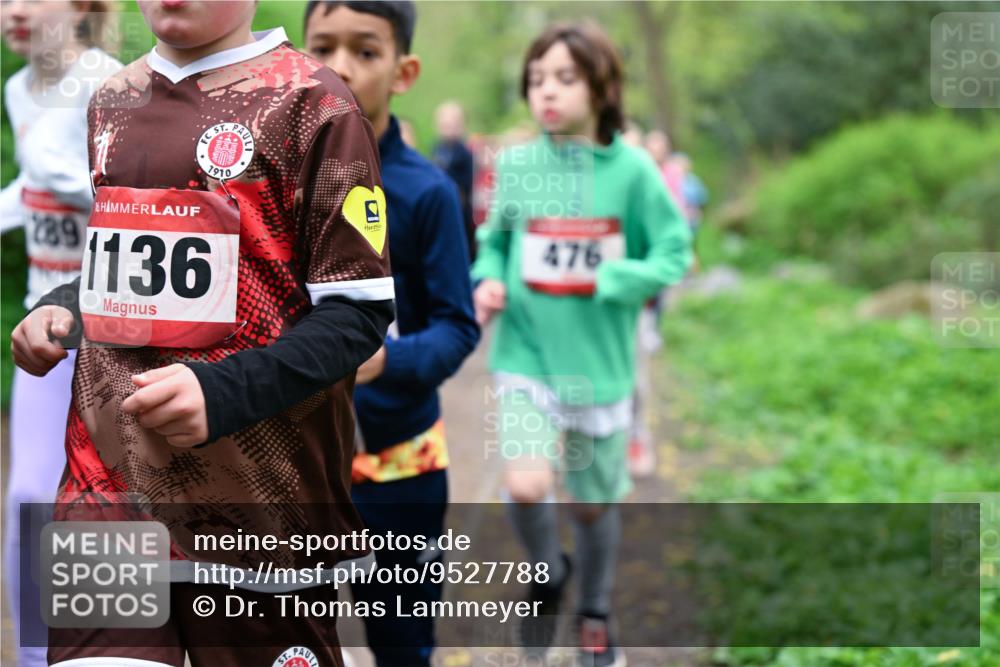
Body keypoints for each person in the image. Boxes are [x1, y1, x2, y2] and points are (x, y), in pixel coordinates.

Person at [11, 1, 394, 665]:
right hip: (107, 490)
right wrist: (61, 309)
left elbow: (357, 314)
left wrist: (221, 392)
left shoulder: (317, 103)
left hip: (258, 507)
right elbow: (129, 271)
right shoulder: (111, 99)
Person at [472, 21, 692, 667]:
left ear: (602, 87)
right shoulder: (518, 165)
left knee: (592, 506)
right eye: (537, 79)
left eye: (565, 78)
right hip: (525, 355)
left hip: (599, 368)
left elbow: (676, 252)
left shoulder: (633, 172)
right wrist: (487, 278)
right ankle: (547, 572)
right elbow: (498, 241)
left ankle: (594, 610)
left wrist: (618, 277)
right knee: (527, 482)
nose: (548, 92)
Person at [303, 3, 479, 666]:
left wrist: (384, 361)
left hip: (400, 468)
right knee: (291, 643)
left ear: (404, 71)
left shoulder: (428, 192)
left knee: (403, 645)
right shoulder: (277, 180)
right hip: (295, 465)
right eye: (323, 47)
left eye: (365, 52)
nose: (340, 68)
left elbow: (458, 329)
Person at [0, 2, 121, 665]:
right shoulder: (17, 88)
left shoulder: (113, 85)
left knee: (111, 510)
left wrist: (56, 175)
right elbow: (34, 190)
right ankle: (34, 656)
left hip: (110, 331)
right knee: (27, 498)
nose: (14, 10)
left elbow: (123, 197)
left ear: (81, 7)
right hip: (39, 332)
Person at [431, 100, 476, 260]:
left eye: (452, 123)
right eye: (444, 123)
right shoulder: (437, 148)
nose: (448, 127)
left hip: (460, 217)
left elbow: (466, 190)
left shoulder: (465, 154)